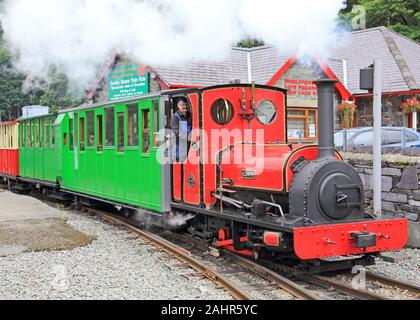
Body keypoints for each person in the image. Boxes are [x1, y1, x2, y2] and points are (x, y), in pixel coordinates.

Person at [170, 98, 192, 162]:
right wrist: (190, 137)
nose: (185, 107)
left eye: (186, 105)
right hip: (179, 149)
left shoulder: (190, 116)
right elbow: (177, 132)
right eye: (182, 105)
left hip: (189, 148)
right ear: (178, 106)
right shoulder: (175, 117)